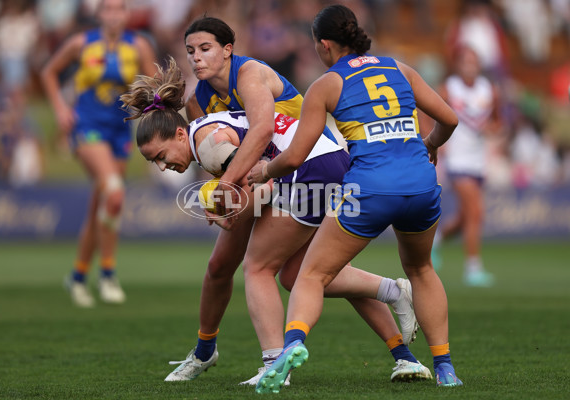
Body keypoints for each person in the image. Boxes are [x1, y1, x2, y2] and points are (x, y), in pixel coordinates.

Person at [121, 54, 432, 385]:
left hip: (308, 169)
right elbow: (261, 178)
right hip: (331, 161)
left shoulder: (209, 144)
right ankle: (398, 321)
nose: (162, 166)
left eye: (161, 156)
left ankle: (273, 364)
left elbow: (265, 185)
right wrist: (236, 205)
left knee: (257, 268)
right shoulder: (205, 133)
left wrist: (233, 207)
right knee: (304, 273)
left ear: (180, 136)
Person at [247, 5, 463, 392]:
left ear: (325, 44)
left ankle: (293, 344)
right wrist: (429, 144)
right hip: (421, 184)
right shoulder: (400, 68)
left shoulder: (327, 83)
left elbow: (295, 156)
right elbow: (449, 119)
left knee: (311, 274)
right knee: (422, 270)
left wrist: (265, 171)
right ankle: (445, 367)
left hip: (368, 190)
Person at [41, 0, 157, 307]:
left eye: (120, 8)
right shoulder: (82, 43)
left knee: (103, 204)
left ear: (126, 14)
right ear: (100, 14)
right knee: (115, 192)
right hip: (87, 127)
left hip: (119, 131)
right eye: (108, 8)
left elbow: (155, 88)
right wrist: (60, 108)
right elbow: (48, 73)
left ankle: (78, 277)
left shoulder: (139, 46)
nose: (114, 14)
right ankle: (108, 274)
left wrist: (152, 108)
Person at [431, 45, 498, 287]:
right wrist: (436, 140)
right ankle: (473, 268)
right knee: (476, 213)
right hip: (457, 158)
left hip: (479, 159)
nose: (470, 66)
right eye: (465, 62)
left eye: (473, 62)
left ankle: (435, 241)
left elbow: (496, 120)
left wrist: (495, 129)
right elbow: (430, 113)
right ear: (457, 64)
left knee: (465, 217)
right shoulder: (449, 88)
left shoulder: (488, 89)